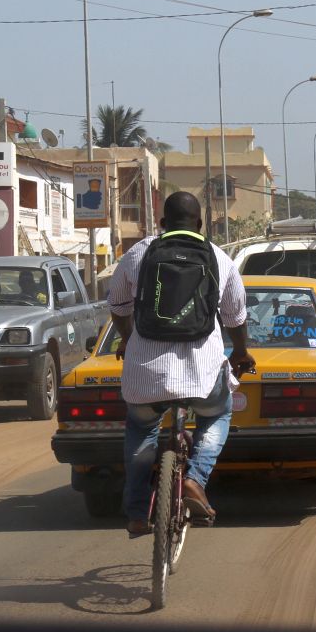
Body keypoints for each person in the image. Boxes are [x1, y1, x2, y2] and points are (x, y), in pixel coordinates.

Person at [108, 191, 255, 537]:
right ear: (200, 224)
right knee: (218, 413)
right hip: (201, 373)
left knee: (141, 428)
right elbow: (235, 317)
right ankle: (194, 479)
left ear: (161, 224)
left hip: (145, 373)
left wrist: (128, 339)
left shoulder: (138, 254)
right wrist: (241, 352)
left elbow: (117, 304)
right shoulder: (220, 259)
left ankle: (135, 512)